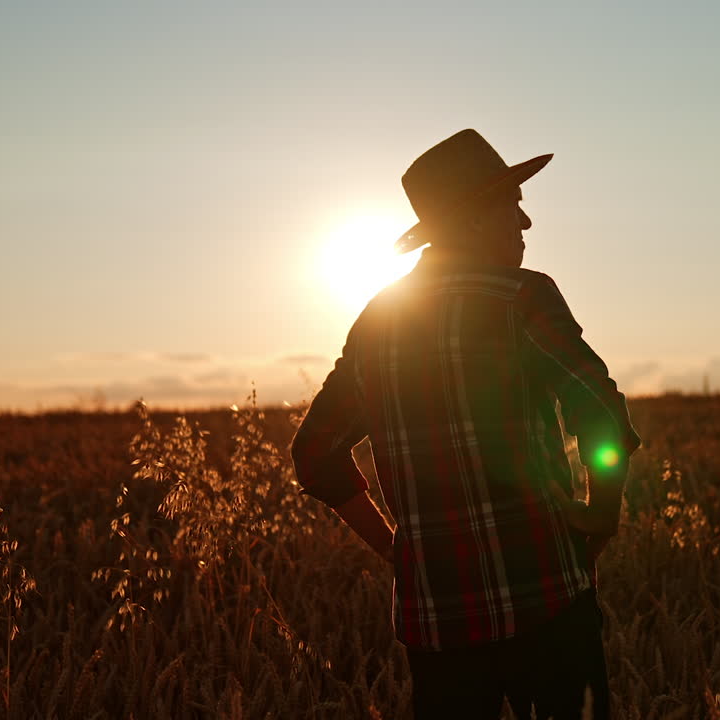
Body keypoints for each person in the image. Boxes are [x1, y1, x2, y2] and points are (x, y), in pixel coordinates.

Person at [291, 129, 640, 720]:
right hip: (549, 602)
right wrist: (599, 516)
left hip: (438, 629)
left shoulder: (378, 321)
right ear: (476, 219)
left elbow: (315, 453)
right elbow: (602, 417)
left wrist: (397, 551)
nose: (524, 222)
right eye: (512, 204)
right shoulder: (522, 298)